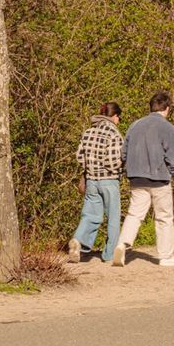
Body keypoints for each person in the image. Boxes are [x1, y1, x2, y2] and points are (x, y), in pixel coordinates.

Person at [113, 90, 174, 267]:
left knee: (134, 214)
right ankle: (165, 256)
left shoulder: (135, 125)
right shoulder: (168, 127)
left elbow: (124, 152)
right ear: (167, 108)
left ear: (151, 107)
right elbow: (173, 156)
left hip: (136, 177)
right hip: (159, 178)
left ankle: (122, 244)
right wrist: (170, 172)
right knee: (164, 217)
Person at [68, 102, 124, 263]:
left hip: (91, 180)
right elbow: (112, 162)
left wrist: (90, 169)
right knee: (113, 218)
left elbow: (80, 157)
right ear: (115, 116)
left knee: (90, 215)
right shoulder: (113, 133)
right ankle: (109, 254)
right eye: (119, 118)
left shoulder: (88, 132)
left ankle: (78, 240)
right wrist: (122, 166)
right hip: (109, 181)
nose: (119, 121)